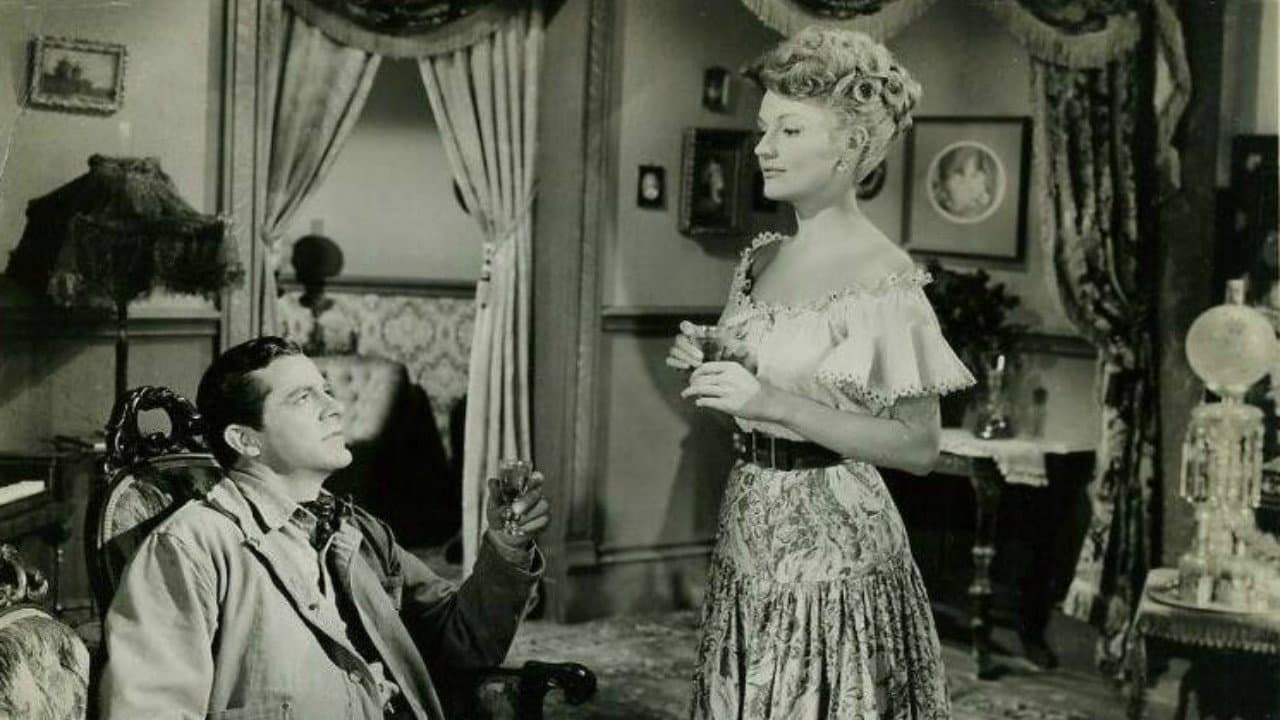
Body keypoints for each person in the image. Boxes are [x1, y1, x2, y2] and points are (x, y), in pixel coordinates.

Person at [667, 26, 975, 719]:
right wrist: (718, 361)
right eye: (764, 128)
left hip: (836, 549)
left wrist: (771, 400)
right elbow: (777, 378)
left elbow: (919, 446)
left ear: (849, 145)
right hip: (749, 526)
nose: (762, 147)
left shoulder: (884, 277)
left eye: (789, 130)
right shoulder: (761, 258)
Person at [98, 336, 549, 720]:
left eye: (327, 391)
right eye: (303, 398)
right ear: (246, 440)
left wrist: (507, 545)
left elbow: (462, 641)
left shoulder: (358, 530)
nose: (335, 408)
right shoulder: (191, 546)